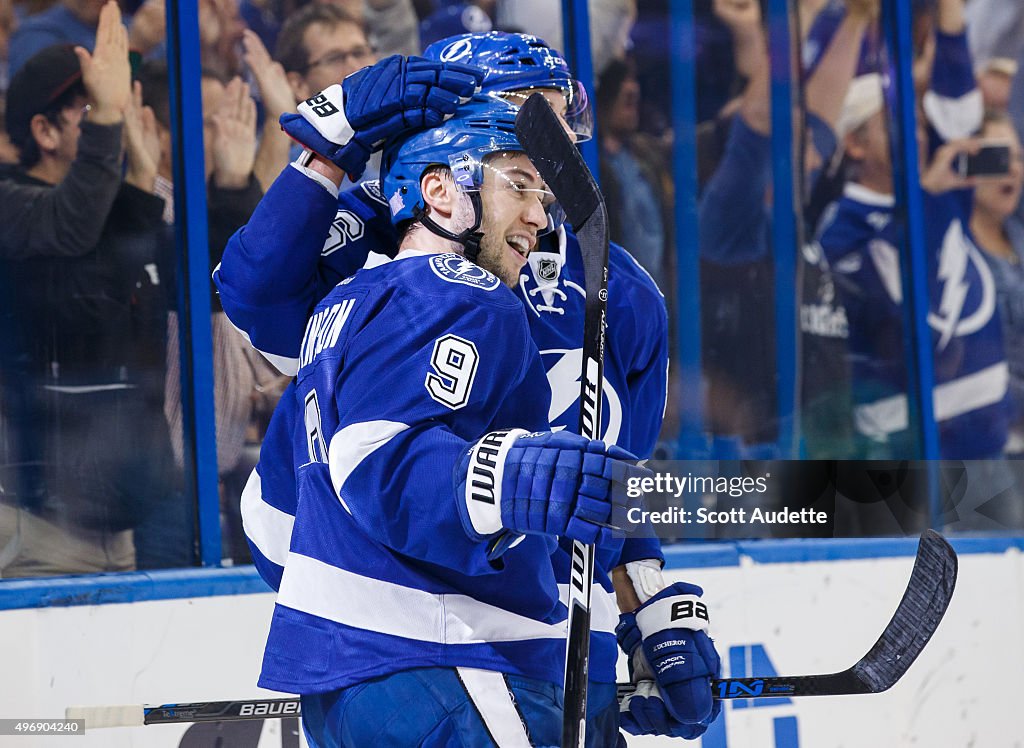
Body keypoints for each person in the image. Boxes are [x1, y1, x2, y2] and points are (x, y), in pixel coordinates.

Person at [222, 32, 722, 742]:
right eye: (525, 149)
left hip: (555, 647)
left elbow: (609, 486)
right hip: (444, 646)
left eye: (557, 151)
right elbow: (258, 301)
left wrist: (651, 610)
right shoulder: (390, 257)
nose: (550, 176)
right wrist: (330, 138)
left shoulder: (621, 298)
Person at [0, 3, 182, 576]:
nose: (112, 111)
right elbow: (70, 236)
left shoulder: (111, 210)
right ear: (44, 131)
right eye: (89, 105)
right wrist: (115, 145)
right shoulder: (10, 204)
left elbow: (179, 298)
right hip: (34, 528)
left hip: (119, 518)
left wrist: (225, 187)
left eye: (114, 98)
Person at [815, 0, 1012, 460]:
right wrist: (925, 196)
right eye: (896, 124)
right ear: (854, 144)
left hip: (987, 438)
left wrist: (948, 10)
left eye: (918, 122)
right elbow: (886, 291)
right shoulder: (840, 227)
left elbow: (957, 101)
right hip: (905, 455)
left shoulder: (944, 189)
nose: (917, 134)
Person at [970, 110, 1024, 456]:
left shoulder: (1019, 236)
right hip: (990, 444)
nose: (1014, 168)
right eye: (1000, 157)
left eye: (1019, 156)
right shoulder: (953, 254)